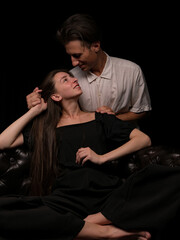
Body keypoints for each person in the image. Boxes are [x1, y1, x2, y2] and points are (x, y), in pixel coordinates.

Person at [0, 69, 152, 240]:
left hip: (107, 193)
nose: (73, 80)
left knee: (168, 177)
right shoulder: (46, 130)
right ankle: (106, 232)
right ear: (56, 96)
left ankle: (89, 222)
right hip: (67, 199)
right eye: (65, 79)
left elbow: (143, 139)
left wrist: (102, 158)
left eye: (72, 77)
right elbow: (3, 141)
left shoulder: (100, 118)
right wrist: (34, 111)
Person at [26, 13, 152, 128]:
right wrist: (35, 102)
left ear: (95, 46)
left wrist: (111, 119)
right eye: (70, 55)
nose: (73, 62)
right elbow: (55, 110)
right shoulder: (72, 78)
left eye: (77, 55)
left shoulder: (131, 71)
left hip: (126, 142)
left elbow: (141, 110)